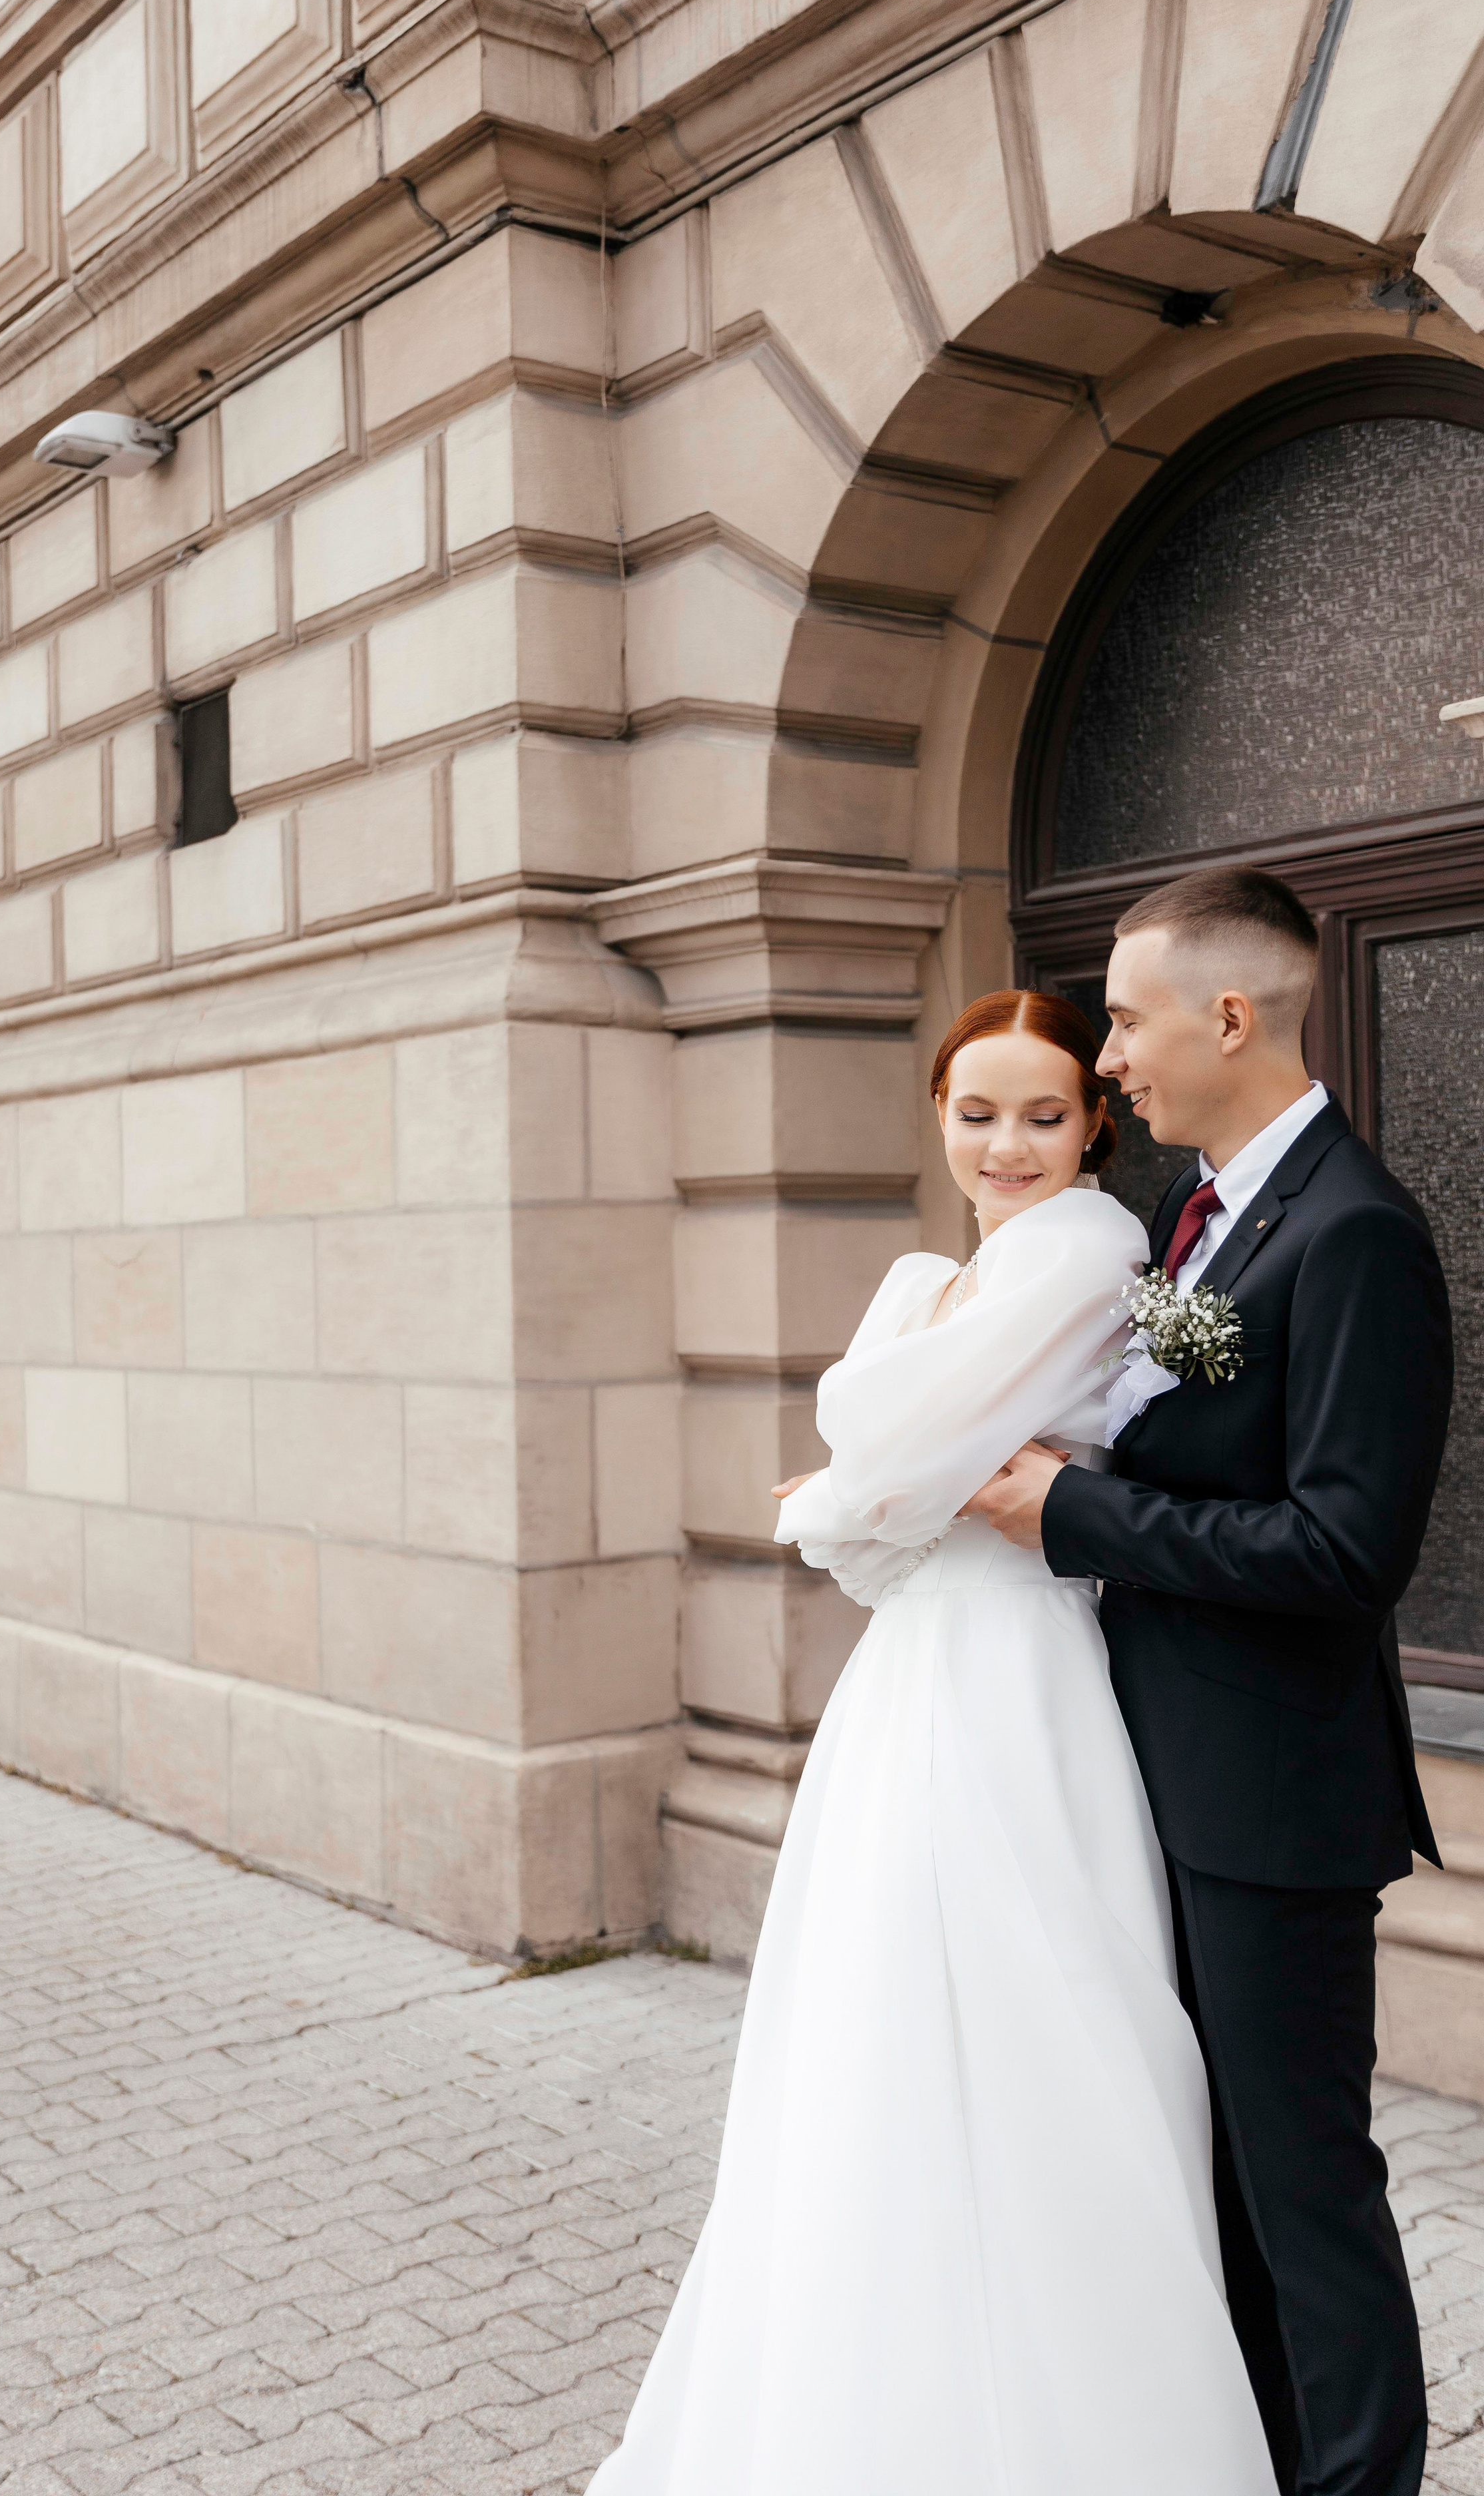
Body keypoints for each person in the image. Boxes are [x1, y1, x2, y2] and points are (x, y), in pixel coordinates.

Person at [588, 989, 1277, 2496]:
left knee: (1040, 2021)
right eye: (977, 1114)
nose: (1007, 1145)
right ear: (937, 1117)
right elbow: (887, 1475)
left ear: (1093, 1124)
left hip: (1019, 1670)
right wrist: (873, 1471)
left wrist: (845, 1479)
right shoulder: (937, 1275)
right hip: (914, 1672)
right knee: (872, 2023)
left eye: (1043, 1114)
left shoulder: (1087, 1247)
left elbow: (874, 1458)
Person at [967, 866, 1452, 2496]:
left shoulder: (1355, 1233)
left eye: (1123, 1020)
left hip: (1271, 1807)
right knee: (1215, 2183)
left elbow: (1340, 1551)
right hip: (1159, 1777)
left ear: (1227, 1018)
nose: (1106, 1057)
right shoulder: (1202, 1212)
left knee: (1299, 2189)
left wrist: (1068, 1513)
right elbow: (1188, 1440)